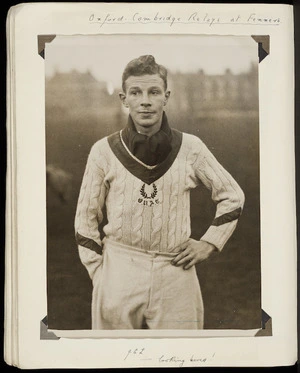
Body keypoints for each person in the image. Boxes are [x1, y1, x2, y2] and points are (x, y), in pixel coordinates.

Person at [74, 55, 245, 330]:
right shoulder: (102, 151)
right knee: (114, 359)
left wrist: (209, 243)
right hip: (119, 265)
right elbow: (86, 217)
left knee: (183, 357)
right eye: (136, 92)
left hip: (176, 268)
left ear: (166, 97)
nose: (145, 101)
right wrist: (99, 272)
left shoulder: (191, 147)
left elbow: (232, 196)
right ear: (123, 98)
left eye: (154, 92)